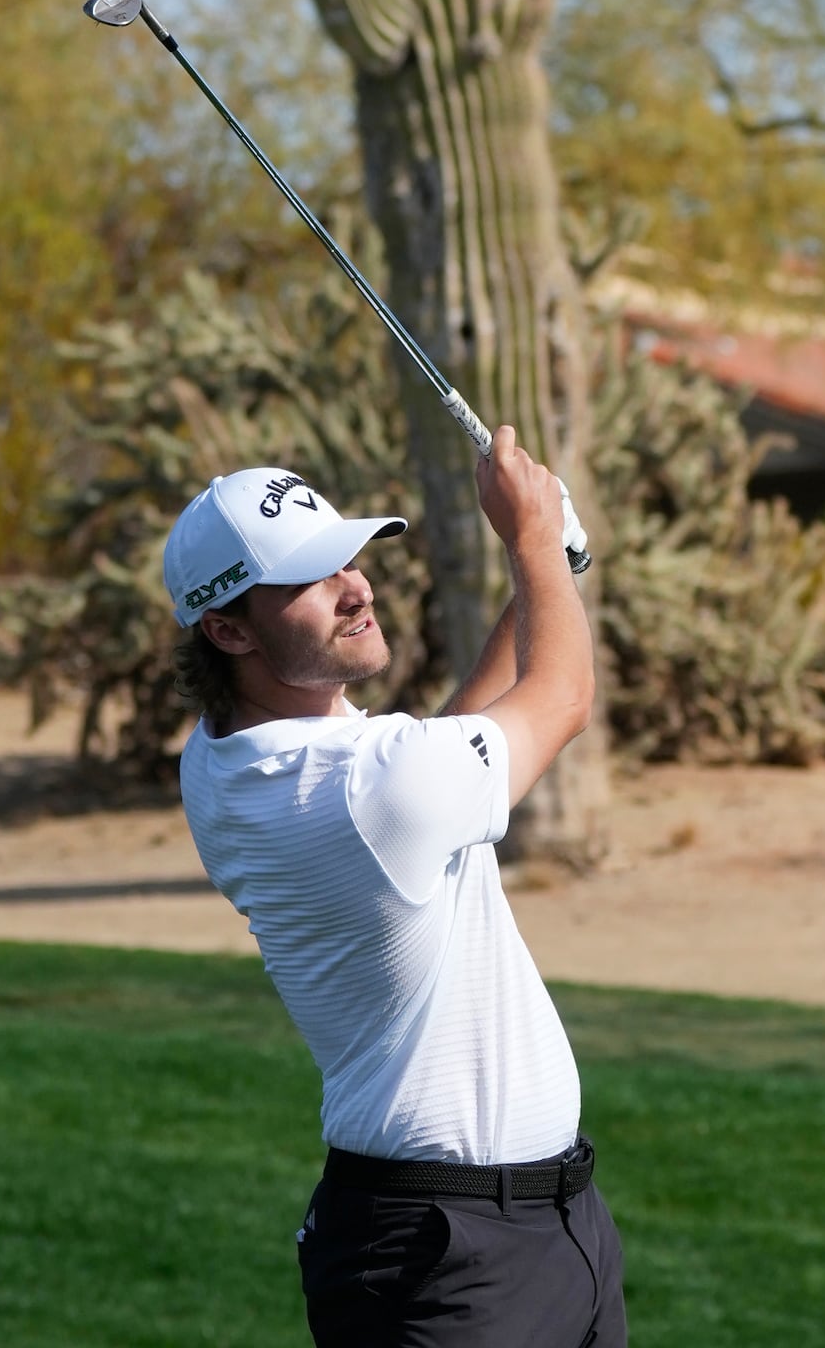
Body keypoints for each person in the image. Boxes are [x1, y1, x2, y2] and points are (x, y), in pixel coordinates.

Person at [167, 425, 625, 1348]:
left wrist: (546, 568)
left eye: (348, 557)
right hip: (447, 1256)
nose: (356, 586)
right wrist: (535, 541)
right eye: (311, 579)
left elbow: (447, 750)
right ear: (226, 628)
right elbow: (562, 699)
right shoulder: (360, 784)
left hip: (534, 1228)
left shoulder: (228, 762)